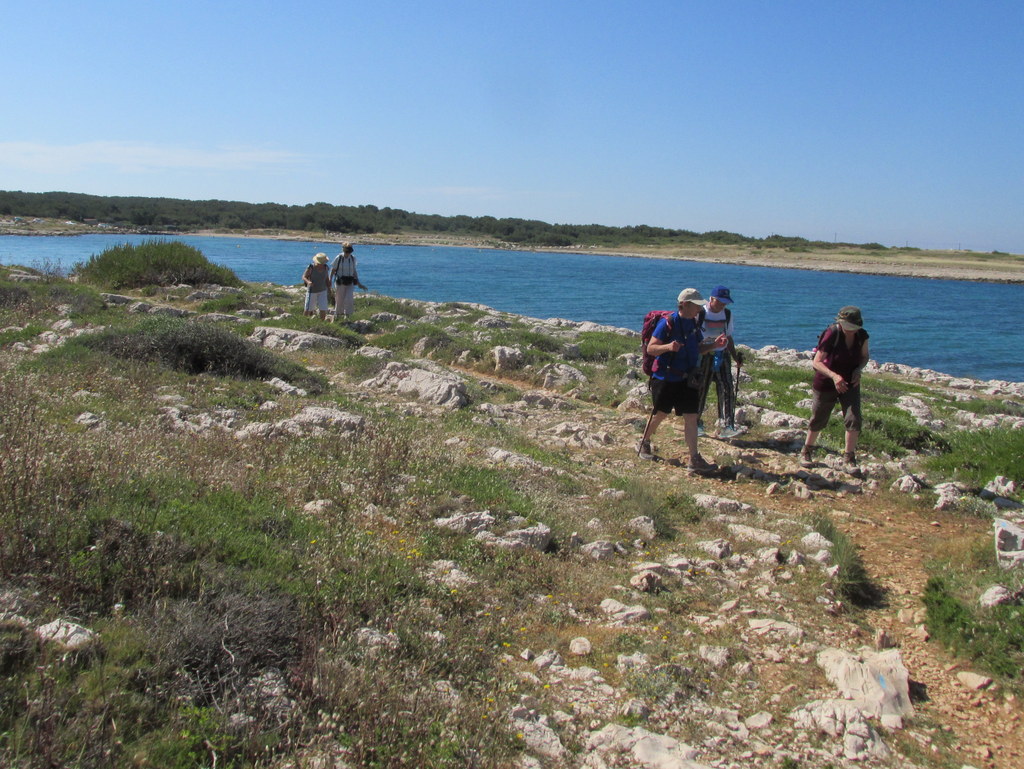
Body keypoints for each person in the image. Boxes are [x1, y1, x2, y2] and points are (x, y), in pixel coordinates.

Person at [637, 288, 729, 473]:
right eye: (696, 305)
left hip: (687, 378)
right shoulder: (668, 323)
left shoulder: (693, 324)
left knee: (691, 417)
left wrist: (713, 346)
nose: (699, 309)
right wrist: (669, 347)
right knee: (660, 414)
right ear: (685, 305)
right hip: (666, 377)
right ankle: (644, 442)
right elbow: (652, 349)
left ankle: (694, 458)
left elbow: (697, 350)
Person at [800, 306, 870, 469]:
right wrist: (834, 377)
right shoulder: (832, 333)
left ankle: (849, 457)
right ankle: (807, 450)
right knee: (819, 417)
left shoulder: (862, 336)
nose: (851, 331)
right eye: (848, 327)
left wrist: (858, 370)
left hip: (850, 382)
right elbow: (816, 362)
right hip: (826, 382)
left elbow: (864, 356)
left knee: (854, 418)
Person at [697, 285, 744, 438]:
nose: (723, 305)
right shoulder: (700, 313)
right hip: (704, 355)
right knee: (701, 389)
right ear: (711, 299)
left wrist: (735, 356)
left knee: (727, 389)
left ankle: (727, 425)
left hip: (722, 355)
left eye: (725, 303)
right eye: (720, 302)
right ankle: (695, 422)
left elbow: (728, 337)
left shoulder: (728, 315)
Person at [329, 242, 366, 320]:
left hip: (350, 282)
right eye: (346, 251)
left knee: (349, 298)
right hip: (340, 282)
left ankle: (348, 316)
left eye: (349, 251)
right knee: (339, 299)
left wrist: (358, 282)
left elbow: (354, 271)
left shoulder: (353, 258)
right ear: (343, 250)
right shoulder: (338, 258)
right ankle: (338, 316)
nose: (347, 253)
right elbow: (333, 270)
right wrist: (330, 280)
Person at [302, 252, 331, 320]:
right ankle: (303, 322)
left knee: (323, 309)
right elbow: (304, 276)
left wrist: (329, 287)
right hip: (312, 291)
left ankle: (322, 324)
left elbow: (326, 278)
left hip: (323, 291)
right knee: (308, 309)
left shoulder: (326, 268)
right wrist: (308, 282)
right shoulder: (311, 267)